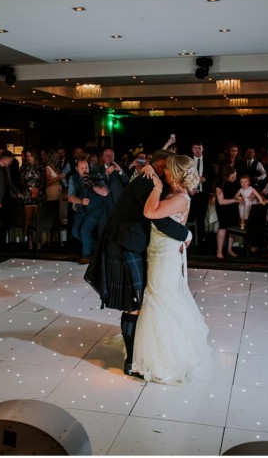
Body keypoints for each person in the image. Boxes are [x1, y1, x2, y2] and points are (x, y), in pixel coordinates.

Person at [84, 149, 191, 378]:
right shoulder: (148, 182)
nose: (168, 171)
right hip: (124, 244)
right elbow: (160, 221)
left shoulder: (155, 180)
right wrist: (187, 235)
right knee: (133, 304)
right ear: (161, 164)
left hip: (135, 244)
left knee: (139, 302)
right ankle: (131, 360)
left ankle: (138, 355)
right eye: (166, 167)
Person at [132, 154, 212, 384]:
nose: (163, 172)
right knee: (160, 296)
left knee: (160, 298)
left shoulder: (179, 199)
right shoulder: (177, 195)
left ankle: (164, 357)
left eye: (166, 170)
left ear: (175, 173)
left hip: (165, 256)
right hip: (160, 251)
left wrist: (156, 187)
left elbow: (150, 213)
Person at [67, 159, 109, 264]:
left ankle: (87, 256)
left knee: (85, 230)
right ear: (77, 169)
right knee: (75, 232)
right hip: (81, 210)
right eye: (82, 168)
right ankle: (96, 248)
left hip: (96, 209)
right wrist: (80, 201)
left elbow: (105, 192)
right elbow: (70, 197)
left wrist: (92, 185)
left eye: (86, 168)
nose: (85, 170)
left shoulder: (96, 176)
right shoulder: (73, 178)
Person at [0, 150, 21, 253]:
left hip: (6, 200)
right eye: (10, 161)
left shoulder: (7, 169)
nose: (11, 163)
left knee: (6, 223)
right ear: (5, 159)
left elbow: (9, 184)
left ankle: (2, 245)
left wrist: (17, 192)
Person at [19, 147, 45, 250]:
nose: (29, 158)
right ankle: (29, 240)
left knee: (37, 219)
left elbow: (43, 182)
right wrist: (31, 189)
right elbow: (21, 182)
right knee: (28, 220)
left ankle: (37, 240)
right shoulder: (23, 167)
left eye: (31, 156)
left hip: (38, 194)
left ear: (35, 156)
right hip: (27, 195)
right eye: (28, 156)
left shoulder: (40, 167)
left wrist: (37, 190)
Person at [214, 164, 241, 258]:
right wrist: (235, 200)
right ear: (226, 176)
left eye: (235, 176)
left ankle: (229, 249)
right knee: (223, 227)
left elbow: (239, 193)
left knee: (232, 229)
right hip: (223, 209)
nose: (235, 178)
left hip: (233, 209)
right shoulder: (219, 183)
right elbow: (221, 201)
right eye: (233, 176)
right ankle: (219, 251)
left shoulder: (236, 183)